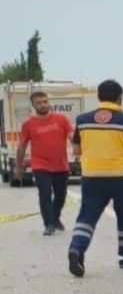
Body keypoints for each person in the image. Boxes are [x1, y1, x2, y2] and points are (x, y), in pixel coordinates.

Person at [67, 79, 123, 277]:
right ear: (120, 98)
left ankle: (77, 248)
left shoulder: (83, 120)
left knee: (87, 215)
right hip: (121, 175)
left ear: (98, 97)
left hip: (92, 175)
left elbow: (76, 149)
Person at [20, 91, 74, 236]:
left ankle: (55, 217)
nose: (43, 105)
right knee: (45, 193)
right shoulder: (28, 124)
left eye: (45, 101)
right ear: (33, 105)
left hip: (61, 165)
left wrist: (78, 147)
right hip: (40, 165)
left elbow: (71, 136)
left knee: (61, 195)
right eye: (39, 103)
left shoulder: (61, 119)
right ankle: (49, 224)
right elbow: (22, 146)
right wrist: (18, 167)